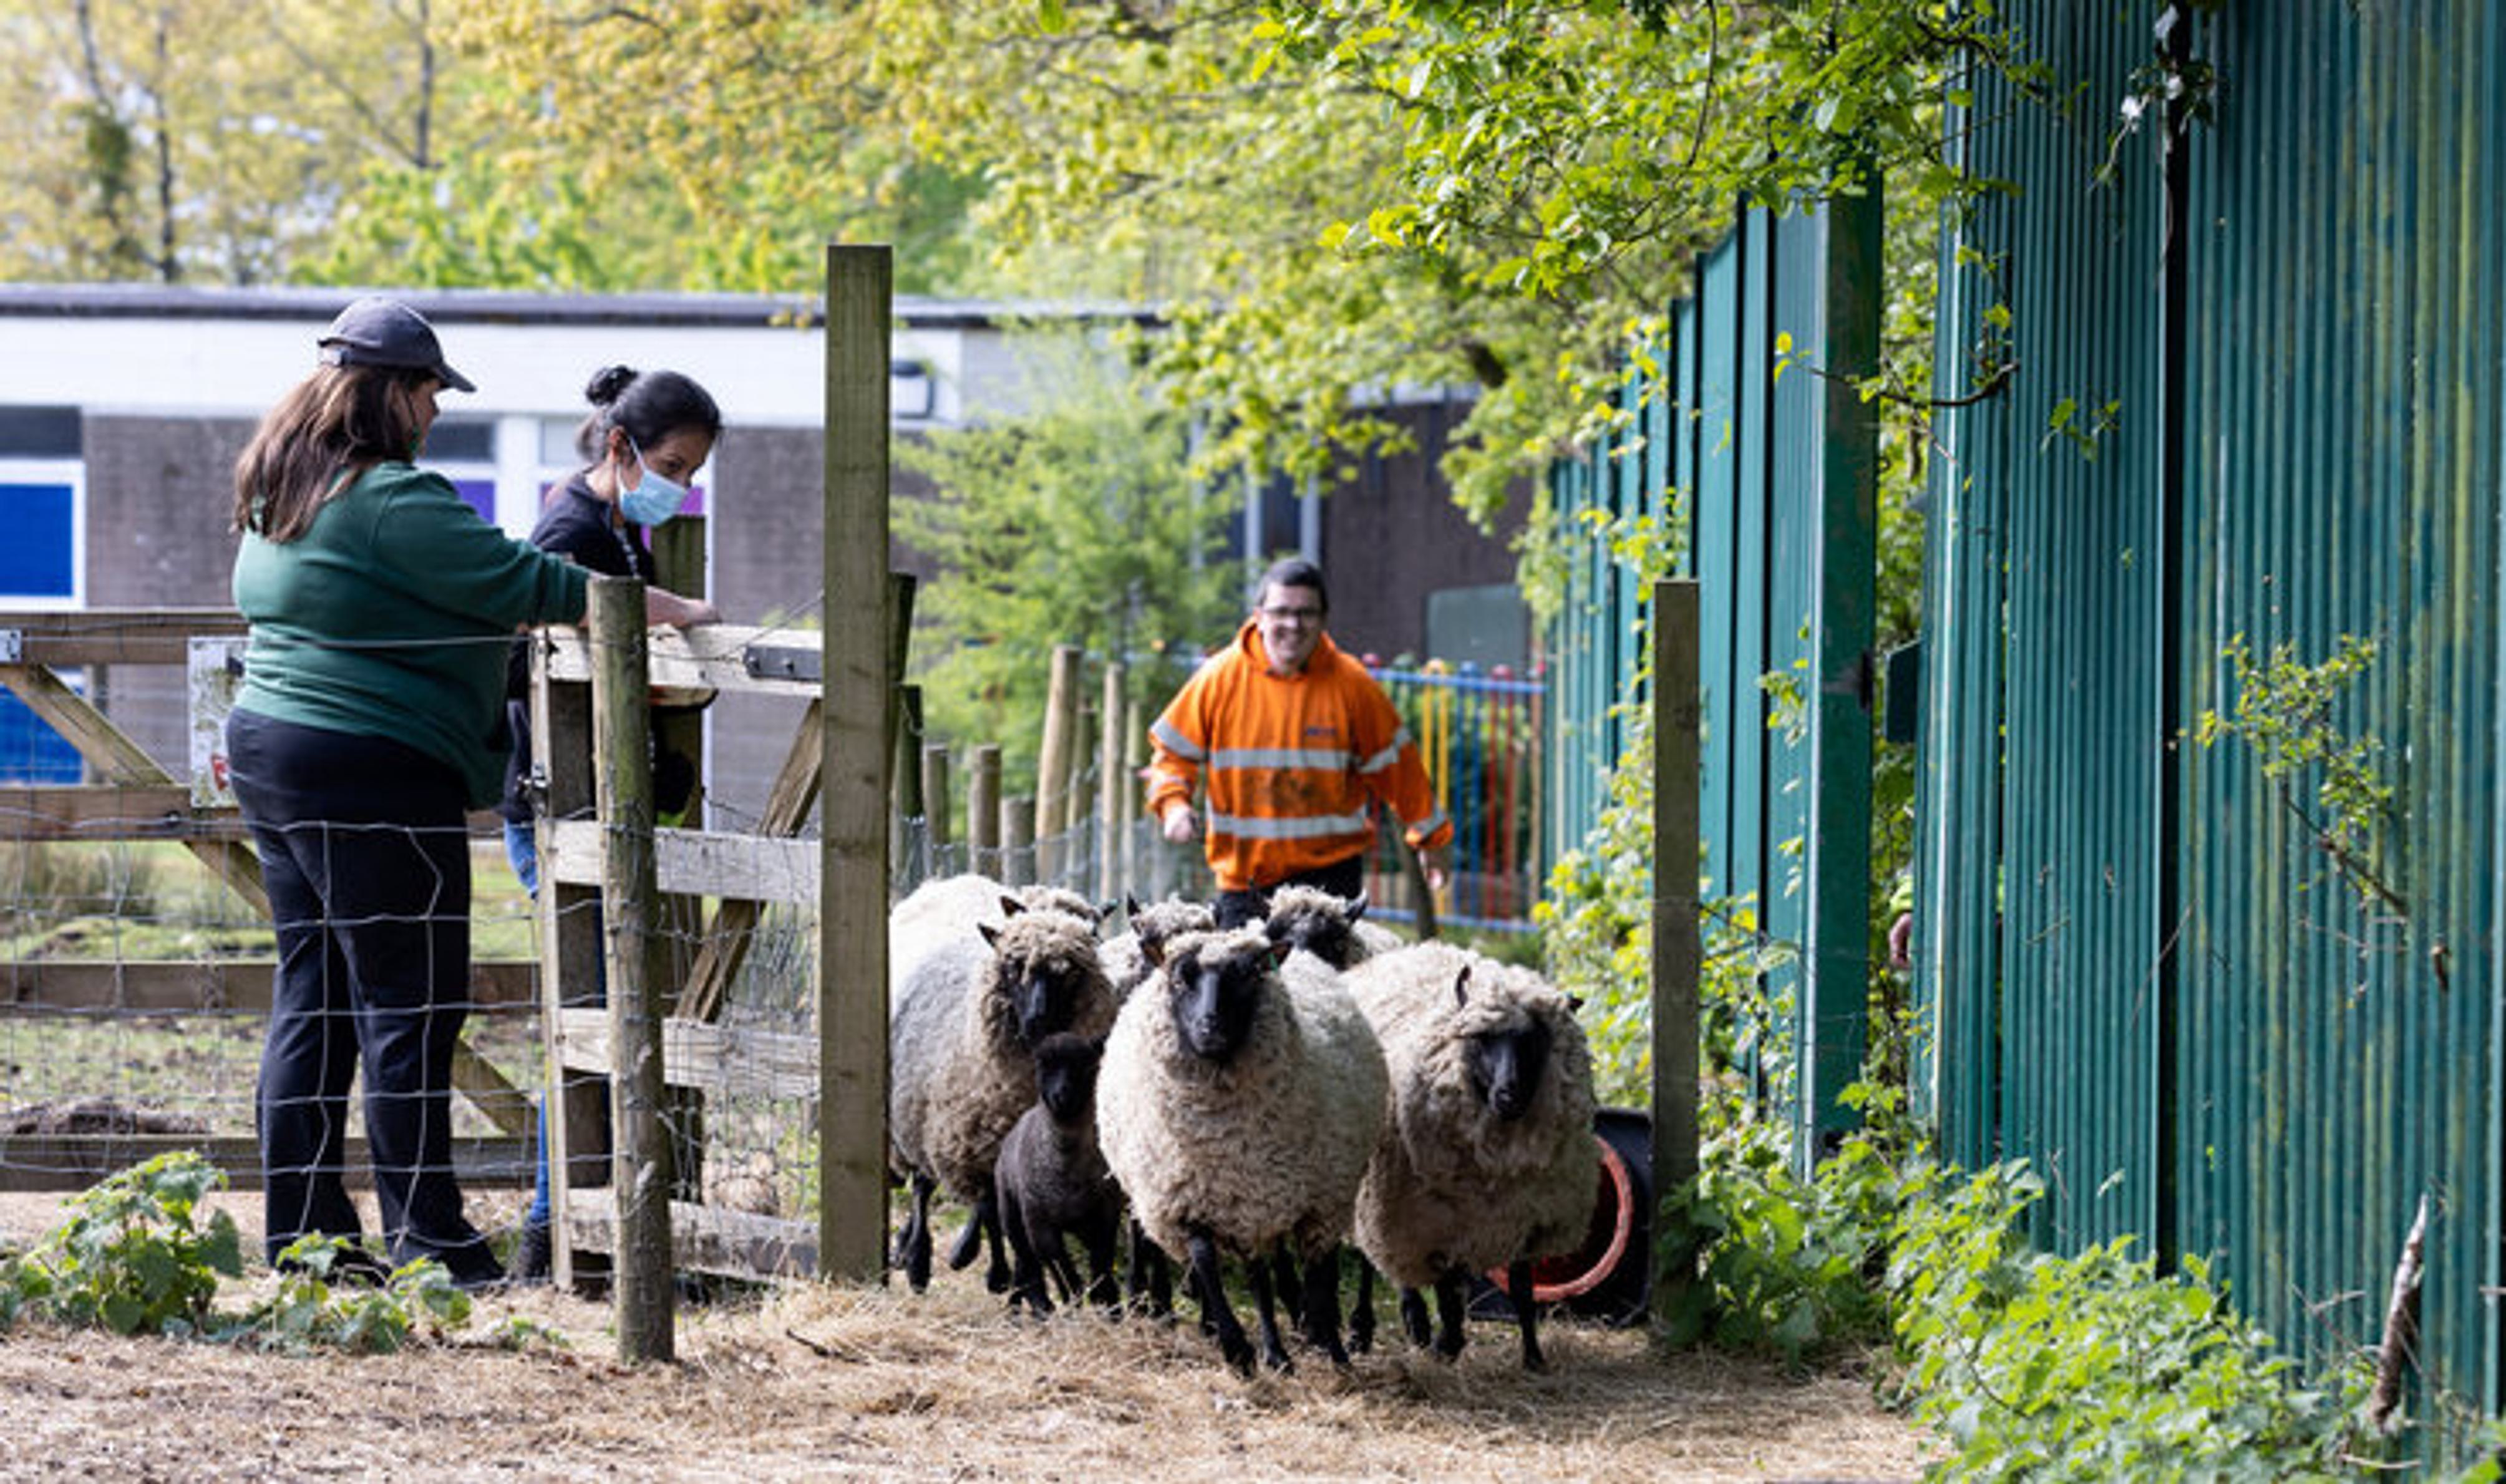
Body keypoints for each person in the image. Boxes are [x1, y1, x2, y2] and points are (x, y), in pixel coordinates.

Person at [226, 299, 716, 1290]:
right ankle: (434, 1244)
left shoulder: (284, 487)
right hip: (368, 769)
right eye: (429, 392)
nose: (436, 412)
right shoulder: (393, 501)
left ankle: (306, 1242)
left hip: (273, 753)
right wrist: (681, 610)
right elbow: (529, 578)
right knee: (412, 1005)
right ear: (390, 393)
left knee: (312, 1002)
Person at [500, 364, 724, 1283]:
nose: (679, 484)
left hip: (597, 799)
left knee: (606, 1010)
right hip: (556, 805)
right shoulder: (571, 529)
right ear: (622, 447)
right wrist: (683, 612)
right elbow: (557, 628)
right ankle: (558, 1230)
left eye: (693, 470)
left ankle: (589, 1226)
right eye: (671, 462)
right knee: (587, 1015)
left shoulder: (620, 529)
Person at [1145, 557, 1451, 929]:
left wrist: (1432, 840)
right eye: (1282, 613)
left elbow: (1399, 768)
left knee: (1326, 986)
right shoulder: (1219, 679)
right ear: (1259, 616)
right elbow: (1172, 755)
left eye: (1306, 614)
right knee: (1243, 987)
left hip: (1330, 884)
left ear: (1324, 620)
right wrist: (1174, 806)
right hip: (1245, 884)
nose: (1293, 625)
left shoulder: (1353, 685)